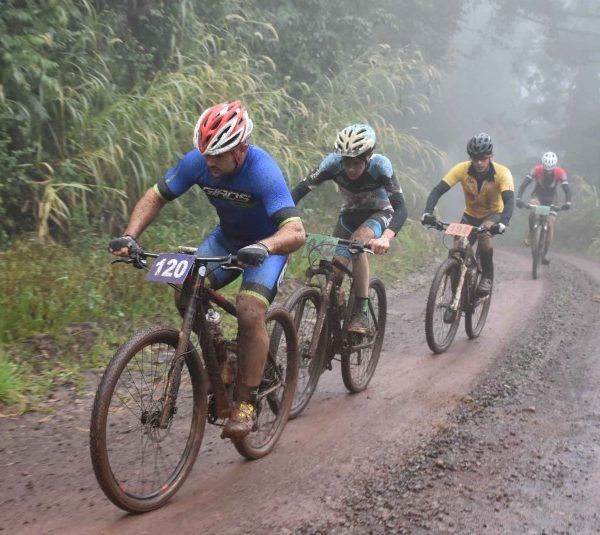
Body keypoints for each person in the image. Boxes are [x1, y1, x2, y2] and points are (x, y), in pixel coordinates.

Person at [109, 100, 305, 439]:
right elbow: (156, 196)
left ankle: (246, 402)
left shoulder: (263, 170)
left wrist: (265, 246)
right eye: (206, 154)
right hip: (226, 240)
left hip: (266, 247)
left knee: (248, 311)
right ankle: (219, 354)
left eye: (218, 155)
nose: (209, 162)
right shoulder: (198, 162)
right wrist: (130, 235)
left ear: (241, 150)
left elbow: (295, 231)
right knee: (186, 289)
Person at [291, 124, 407, 333]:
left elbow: (401, 208)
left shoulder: (381, 166)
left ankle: (361, 311)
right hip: (349, 216)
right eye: (346, 162)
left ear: (368, 157)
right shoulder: (332, 163)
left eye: (356, 163)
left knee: (357, 244)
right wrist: (284, 220)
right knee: (332, 272)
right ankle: (336, 310)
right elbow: (299, 191)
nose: (350, 169)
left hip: (379, 214)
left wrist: (386, 238)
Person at [421, 133, 515, 296]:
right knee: (457, 248)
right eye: (475, 158)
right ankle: (456, 296)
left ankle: (487, 276)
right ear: (470, 157)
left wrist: (503, 222)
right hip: (470, 215)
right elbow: (438, 190)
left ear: (490, 156)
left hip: (493, 214)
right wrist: (427, 212)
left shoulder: (502, 173)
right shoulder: (462, 169)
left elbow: (509, 200)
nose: (479, 162)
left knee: (484, 236)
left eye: (483, 158)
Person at [516, 151, 571, 264]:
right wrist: (519, 198)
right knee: (532, 210)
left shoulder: (560, 172)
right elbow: (524, 184)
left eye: (550, 170)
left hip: (551, 199)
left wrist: (568, 202)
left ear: (555, 167)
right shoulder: (536, 170)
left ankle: (544, 254)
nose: (548, 172)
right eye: (546, 170)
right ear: (543, 166)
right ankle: (532, 234)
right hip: (538, 196)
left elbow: (566, 189)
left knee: (550, 224)